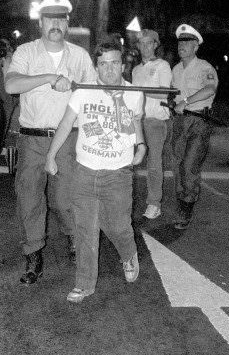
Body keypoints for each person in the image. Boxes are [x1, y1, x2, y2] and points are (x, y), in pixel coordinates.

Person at [5, 0, 97, 284]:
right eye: (49, 19)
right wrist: (47, 77)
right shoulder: (25, 52)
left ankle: (72, 238)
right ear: (41, 23)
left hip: (68, 138)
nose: (55, 24)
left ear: (67, 24)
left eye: (61, 19)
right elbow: (11, 84)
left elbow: (94, 94)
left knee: (64, 197)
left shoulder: (80, 56)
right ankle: (33, 254)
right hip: (32, 138)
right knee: (29, 197)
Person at [45, 39, 144, 303]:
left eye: (114, 63)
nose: (109, 69)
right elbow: (66, 123)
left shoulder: (135, 93)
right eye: (103, 64)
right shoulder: (84, 90)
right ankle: (84, 284)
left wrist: (119, 100)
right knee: (85, 230)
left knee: (119, 226)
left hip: (118, 173)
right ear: (96, 67)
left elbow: (130, 128)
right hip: (85, 171)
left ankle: (128, 253)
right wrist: (51, 154)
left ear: (123, 65)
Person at [170, 24, 218, 229]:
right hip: (180, 122)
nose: (182, 46)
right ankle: (183, 200)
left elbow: (209, 89)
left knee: (189, 166)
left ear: (196, 46)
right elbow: (173, 93)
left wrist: (186, 102)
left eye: (187, 43)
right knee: (178, 165)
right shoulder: (176, 69)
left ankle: (186, 207)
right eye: (180, 42)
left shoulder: (205, 67)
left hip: (199, 122)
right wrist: (172, 103)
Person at [131, 29, 172, 220]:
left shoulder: (162, 66)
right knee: (131, 161)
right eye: (141, 43)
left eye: (149, 43)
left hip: (155, 120)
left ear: (156, 44)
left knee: (154, 164)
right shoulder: (136, 69)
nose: (145, 47)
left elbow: (164, 93)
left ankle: (154, 203)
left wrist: (140, 90)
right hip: (137, 120)